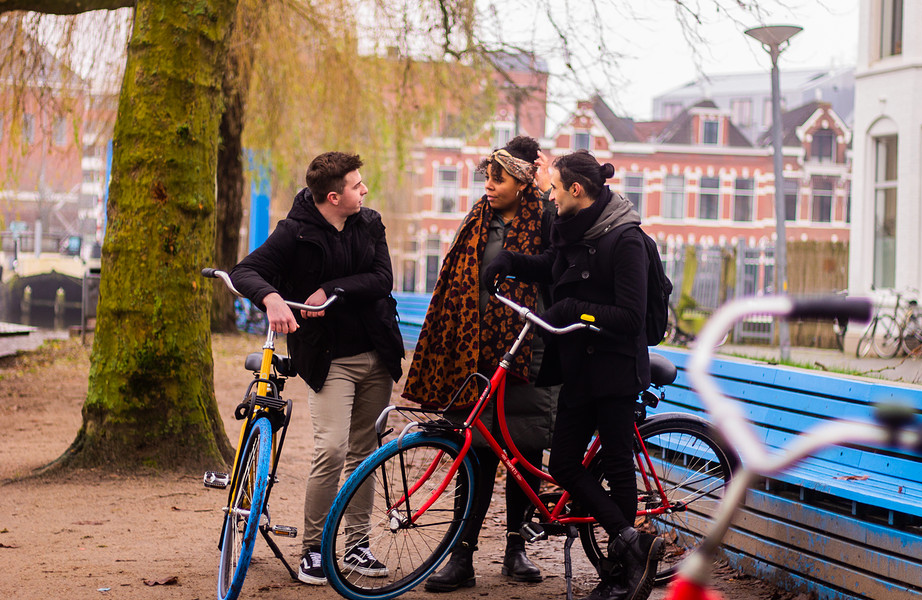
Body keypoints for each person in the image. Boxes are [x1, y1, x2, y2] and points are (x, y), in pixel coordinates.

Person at [483, 150, 662, 600]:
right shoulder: (572, 227)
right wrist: (511, 261)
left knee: (620, 470)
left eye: (556, 189)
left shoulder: (626, 240)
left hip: (616, 370)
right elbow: (553, 266)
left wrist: (571, 310)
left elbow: (629, 315)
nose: (550, 195)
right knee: (563, 463)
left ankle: (622, 576)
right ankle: (631, 539)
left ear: (576, 191)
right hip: (579, 368)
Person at [229, 151, 404, 585]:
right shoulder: (294, 233)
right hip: (330, 361)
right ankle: (312, 548)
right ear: (333, 195)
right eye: (356, 185)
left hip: (377, 355)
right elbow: (245, 271)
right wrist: (270, 298)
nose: (364, 190)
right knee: (332, 450)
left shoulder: (370, 223)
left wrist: (332, 289)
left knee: (367, 454)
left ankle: (357, 546)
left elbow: (382, 280)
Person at [402, 136, 559, 592]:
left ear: (524, 178)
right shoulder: (477, 221)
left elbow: (561, 262)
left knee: (525, 455)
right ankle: (462, 556)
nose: (488, 186)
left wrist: (550, 193)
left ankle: (515, 549)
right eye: (486, 177)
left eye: (499, 178)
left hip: (531, 357)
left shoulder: (549, 221)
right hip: (477, 359)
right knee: (474, 455)